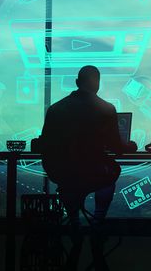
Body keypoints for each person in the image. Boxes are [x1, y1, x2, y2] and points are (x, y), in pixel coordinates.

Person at [40, 65, 136, 228]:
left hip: (61, 172)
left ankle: (74, 221)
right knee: (110, 176)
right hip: (94, 172)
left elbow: (44, 143)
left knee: (69, 185)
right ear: (97, 84)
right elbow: (117, 148)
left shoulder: (55, 109)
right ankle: (97, 222)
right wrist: (130, 146)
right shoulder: (106, 109)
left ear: (77, 82)